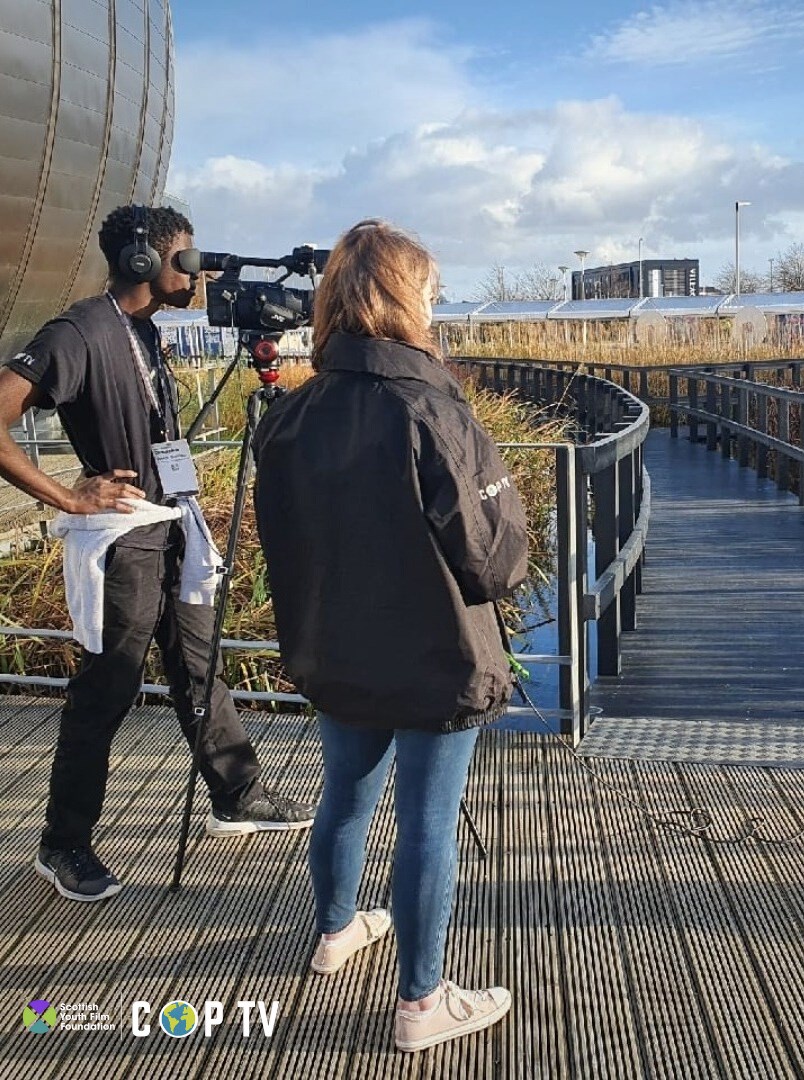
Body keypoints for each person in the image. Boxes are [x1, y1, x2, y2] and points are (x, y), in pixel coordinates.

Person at [252, 219, 529, 1053]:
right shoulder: (433, 408)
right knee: (426, 824)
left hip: (336, 647)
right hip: (437, 653)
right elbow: (494, 561)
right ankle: (421, 1002)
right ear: (410, 300)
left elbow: (284, 543)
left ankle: (336, 931)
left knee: (344, 795)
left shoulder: (291, 414)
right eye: (432, 294)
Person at [0, 204, 314, 903]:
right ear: (144, 259)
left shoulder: (142, 332)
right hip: (124, 539)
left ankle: (237, 794)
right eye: (188, 257)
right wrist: (68, 496)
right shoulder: (79, 331)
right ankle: (63, 843)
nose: (198, 272)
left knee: (199, 665)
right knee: (104, 691)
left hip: (172, 525)